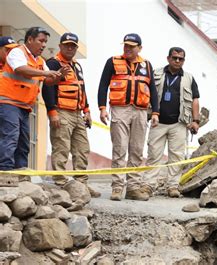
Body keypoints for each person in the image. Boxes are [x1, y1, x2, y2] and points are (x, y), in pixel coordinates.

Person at [98, 33, 159, 201]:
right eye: (126, 45)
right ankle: (117, 187)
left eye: (132, 46)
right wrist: (102, 108)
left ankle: (133, 188)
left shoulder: (146, 65)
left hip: (140, 111)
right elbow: (103, 85)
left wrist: (155, 112)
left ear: (139, 48)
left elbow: (153, 89)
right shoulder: (113, 62)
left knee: (137, 150)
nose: (128, 49)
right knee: (120, 148)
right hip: (120, 109)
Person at [42, 33, 100, 197]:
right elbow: (47, 88)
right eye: (66, 45)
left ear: (76, 48)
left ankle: (81, 185)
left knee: (82, 148)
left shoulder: (76, 65)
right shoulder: (53, 63)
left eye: (73, 45)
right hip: (61, 111)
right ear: (60, 46)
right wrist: (52, 111)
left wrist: (87, 110)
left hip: (77, 113)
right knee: (61, 147)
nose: (70, 48)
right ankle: (60, 184)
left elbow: (81, 88)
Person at [0, 27, 65, 172]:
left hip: (24, 106)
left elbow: (48, 81)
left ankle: (21, 171)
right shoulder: (17, 52)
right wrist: (46, 72)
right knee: (10, 137)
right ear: (30, 39)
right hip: (8, 103)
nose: (43, 45)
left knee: (23, 141)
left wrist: (57, 77)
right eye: (41, 41)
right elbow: (20, 69)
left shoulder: (40, 61)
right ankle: (4, 171)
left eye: (45, 42)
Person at [144, 47, 200, 198]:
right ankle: (149, 185)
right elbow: (145, 93)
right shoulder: (156, 74)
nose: (177, 61)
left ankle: (173, 186)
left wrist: (195, 120)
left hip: (179, 124)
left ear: (183, 61)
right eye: (174, 58)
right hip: (158, 122)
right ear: (168, 58)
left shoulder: (189, 78)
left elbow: (195, 99)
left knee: (177, 156)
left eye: (180, 59)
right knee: (153, 154)